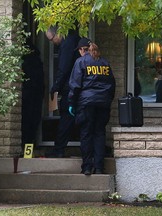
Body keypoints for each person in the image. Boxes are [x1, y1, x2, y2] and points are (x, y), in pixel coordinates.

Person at [68, 38, 115, 175]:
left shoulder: (81, 62)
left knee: (86, 134)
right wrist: (107, 100)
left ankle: (87, 167)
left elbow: (75, 86)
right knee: (99, 133)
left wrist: (71, 103)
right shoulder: (105, 63)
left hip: (86, 104)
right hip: (103, 103)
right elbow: (112, 84)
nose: (79, 53)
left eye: (79, 51)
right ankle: (99, 167)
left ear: (83, 50)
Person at [45, 26, 81, 158]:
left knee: (66, 117)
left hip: (70, 88)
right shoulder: (75, 40)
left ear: (58, 34)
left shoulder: (67, 45)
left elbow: (64, 69)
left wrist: (56, 87)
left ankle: (59, 149)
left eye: (51, 39)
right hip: (79, 87)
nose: (52, 42)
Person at [21, 39, 44, 150]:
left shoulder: (25, 61)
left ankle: (26, 147)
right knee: (33, 122)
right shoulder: (37, 60)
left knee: (26, 122)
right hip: (36, 94)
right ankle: (29, 146)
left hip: (28, 94)